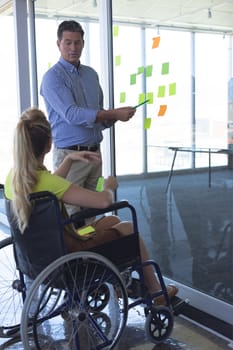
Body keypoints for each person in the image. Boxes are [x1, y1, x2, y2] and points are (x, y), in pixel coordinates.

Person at [4, 108, 178, 305]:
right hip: (69, 254)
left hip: (40, 257)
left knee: (112, 221)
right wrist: (109, 187)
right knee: (128, 227)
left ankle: (118, 282)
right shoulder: (47, 182)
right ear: (48, 144)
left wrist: (69, 159)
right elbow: (103, 202)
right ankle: (158, 293)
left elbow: (50, 184)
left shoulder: (15, 178)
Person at [40, 20, 136, 215]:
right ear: (58, 44)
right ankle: (78, 246)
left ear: (83, 43)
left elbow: (97, 116)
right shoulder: (53, 77)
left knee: (92, 213)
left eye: (77, 42)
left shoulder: (91, 75)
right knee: (72, 214)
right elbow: (72, 114)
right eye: (68, 42)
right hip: (70, 157)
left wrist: (116, 116)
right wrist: (113, 113)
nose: (73, 48)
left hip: (95, 155)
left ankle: (90, 246)